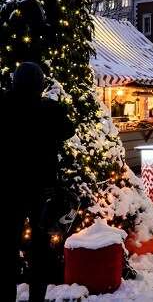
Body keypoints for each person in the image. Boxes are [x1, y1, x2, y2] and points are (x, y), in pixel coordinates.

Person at [1, 62, 75, 302]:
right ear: (40, 84)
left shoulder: (5, 105)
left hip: (10, 187)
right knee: (41, 248)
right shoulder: (51, 110)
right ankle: (37, 298)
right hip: (42, 188)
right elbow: (68, 131)